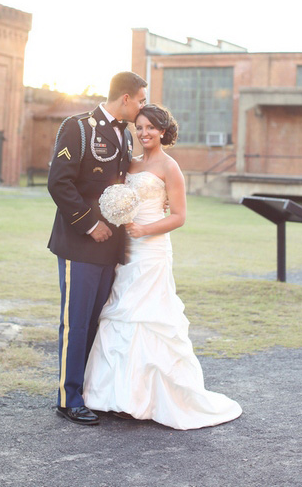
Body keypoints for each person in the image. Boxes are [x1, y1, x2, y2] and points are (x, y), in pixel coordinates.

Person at [83, 104, 242, 430]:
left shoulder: (170, 167)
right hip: (127, 247)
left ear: (163, 131)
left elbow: (179, 216)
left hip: (152, 249)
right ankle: (115, 395)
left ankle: (144, 398)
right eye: (139, 127)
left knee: (147, 315)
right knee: (122, 312)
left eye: (150, 128)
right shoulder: (130, 162)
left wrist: (145, 230)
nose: (143, 133)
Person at [47, 71, 147, 425]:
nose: (142, 106)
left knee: (95, 321)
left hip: (111, 246)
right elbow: (59, 182)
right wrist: (90, 224)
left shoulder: (124, 133)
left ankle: (88, 391)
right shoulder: (78, 127)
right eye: (141, 100)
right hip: (80, 243)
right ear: (125, 98)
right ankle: (68, 398)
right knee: (76, 322)